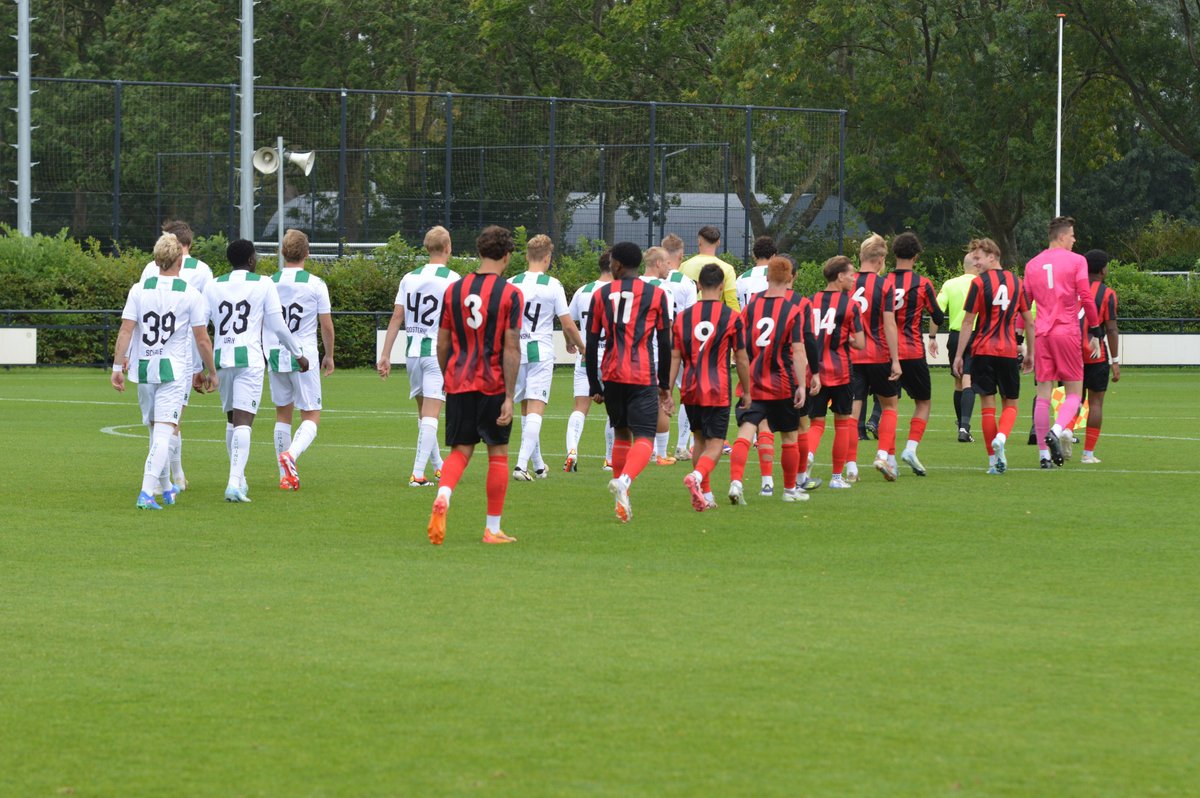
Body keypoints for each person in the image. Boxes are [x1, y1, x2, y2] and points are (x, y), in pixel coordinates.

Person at [426, 226, 524, 545]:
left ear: (479, 252)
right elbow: (511, 347)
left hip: (459, 379)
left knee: (460, 451)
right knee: (498, 453)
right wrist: (510, 396)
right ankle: (492, 528)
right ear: (507, 256)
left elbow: (442, 342)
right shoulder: (511, 294)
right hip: (493, 381)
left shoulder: (454, 289)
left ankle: (443, 494)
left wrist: (447, 375)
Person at [112, 232, 218, 508]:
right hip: (173, 370)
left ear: (156, 259)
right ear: (180, 261)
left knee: (154, 428)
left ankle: (166, 485)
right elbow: (202, 338)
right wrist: (212, 371)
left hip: (144, 367)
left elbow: (126, 330)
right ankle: (147, 492)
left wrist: (116, 366)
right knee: (165, 429)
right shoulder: (190, 293)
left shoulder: (139, 288)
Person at [205, 239, 309, 502]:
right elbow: (277, 324)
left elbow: (200, 327)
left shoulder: (213, 284)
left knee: (231, 420)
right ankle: (233, 483)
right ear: (251, 260)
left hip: (221, 358)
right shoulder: (263, 283)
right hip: (249, 359)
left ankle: (239, 479)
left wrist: (201, 366)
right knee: (244, 422)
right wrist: (298, 353)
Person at [585, 241, 672, 523]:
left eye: (611, 262)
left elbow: (591, 340)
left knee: (621, 433)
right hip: (641, 373)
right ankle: (624, 481)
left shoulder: (601, 295)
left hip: (611, 374)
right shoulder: (656, 295)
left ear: (618, 265)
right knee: (645, 437)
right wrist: (664, 384)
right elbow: (664, 341)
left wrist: (594, 385)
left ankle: (621, 502)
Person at [727, 256, 814, 504]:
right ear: (789, 278)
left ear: (767, 277)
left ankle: (735, 482)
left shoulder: (751, 305)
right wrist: (800, 385)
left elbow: (738, 345)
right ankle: (789, 490)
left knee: (746, 432)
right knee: (789, 436)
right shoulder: (792, 309)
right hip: (781, 383)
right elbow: (798, 351)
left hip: (752, 381)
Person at [135, 220, 214, 491]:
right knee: (171, 419)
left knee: (159, 422)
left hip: (150, 353)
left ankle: (167, 479)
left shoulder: (150, 268)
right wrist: (204, 365)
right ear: (189, 243)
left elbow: (139, 313)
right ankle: (171, 477)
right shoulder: (203, 271)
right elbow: (206, 319)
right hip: (185, 355)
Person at [378, 226, 459, 487]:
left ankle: (438, 467)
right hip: (438, 354)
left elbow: (396, 318)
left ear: (427, 248)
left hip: (412, 353)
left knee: (425, 415)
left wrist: (386, 354)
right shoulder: (453, 279)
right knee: (432, 415)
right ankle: (417, 473)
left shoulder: (409, 277)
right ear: (448, 248)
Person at [670, 262, 751, 510]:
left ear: (697, 286)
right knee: (716, 443)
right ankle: (696, 478)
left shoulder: (683, 318)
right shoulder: (732, 317)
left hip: (691, 387)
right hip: (717, 388)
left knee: (699, 440)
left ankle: (706, 494)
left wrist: (668, 390)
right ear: (723, 286)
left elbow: (675, 357)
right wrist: (747, 390)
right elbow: (741, 357)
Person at [1023, 216, 1102, 466]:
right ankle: (1056, 431)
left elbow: (1024, 306)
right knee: (1074, 393)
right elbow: (1086, 298)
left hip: (1042, 334)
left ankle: (1043, 456)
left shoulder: (1032, 264)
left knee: (1043, 394)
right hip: (1066, 331)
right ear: (1061, 236)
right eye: (1072, 235)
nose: (1074, 239)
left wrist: (1018, 338)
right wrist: (1096, 330)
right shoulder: (1077, 261)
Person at [952, 238, 1036, 474]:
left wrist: (959, 355)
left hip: (982, 350)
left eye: (978, 258)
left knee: (987, 407)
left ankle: (993, 461)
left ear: (992, 256)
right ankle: (1001, 437)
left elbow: (968, 321)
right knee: (1011, 405)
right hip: (1008, 351)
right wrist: (1031, 352)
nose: (975, 262)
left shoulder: (978, 284)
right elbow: (1029, 322)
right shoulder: (1017, 283)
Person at [508, 234, 585, 480]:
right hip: (539, 351)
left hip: (515, 351)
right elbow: (568, 324)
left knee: (525, 409)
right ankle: (521, 466)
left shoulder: (511, 283)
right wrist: (583, 347)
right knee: (536, 410)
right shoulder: (552, 284)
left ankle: (538, 465)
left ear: (528, 256)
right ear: (548, 258)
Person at [267, 229, 335, 490]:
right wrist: (329, 355)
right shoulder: (315, 284)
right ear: (307, 253)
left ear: (283, 252)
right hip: (303, 354)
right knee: (311, 416)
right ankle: (291, 457)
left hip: (275, 352)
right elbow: (326, 326)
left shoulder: (269, 282)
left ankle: (285, 476)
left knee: (282, 414)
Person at [886, 232, 945, 476]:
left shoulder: (883, 282)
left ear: (894, 254)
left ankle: (888, 456)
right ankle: (910, 447)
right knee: (923, 402)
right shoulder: (922, 283)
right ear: (917, 256)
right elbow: (939, 316)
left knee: (889, 406)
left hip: (887, 352)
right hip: (912, 351)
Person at [847, 233, 902, 482]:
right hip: (878, 354)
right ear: (880, 260)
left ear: (861, 256)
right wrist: (895, 359)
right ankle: (882, 455)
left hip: (851, 357)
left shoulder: (846, 283)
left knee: (852, 412)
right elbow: (890, 325)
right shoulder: (885, 285)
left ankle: (850, 467)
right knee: (890, 405)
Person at [807, 255, 865, 489]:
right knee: (842, 424)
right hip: (840, 371)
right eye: (851, 274)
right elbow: (860, 344)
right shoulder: (850, 305)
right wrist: (848, 338)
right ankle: (836, 478)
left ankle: (809, 454)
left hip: (815, 372)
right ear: (840, 276)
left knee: (816, 424)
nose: (854, 279)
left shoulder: (809, 301)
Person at [735, 235, 781, 496]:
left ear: (754, 255)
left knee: (751, 398)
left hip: (749, 340)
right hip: (774, 346)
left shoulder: (742, 278)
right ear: (774, 256)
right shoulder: (777, 272)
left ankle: (751, 432)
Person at [564, 248, 615, 472]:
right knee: (615, 410)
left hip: (587, 357)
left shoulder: (583, 291)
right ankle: (609, 460)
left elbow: (568, 320)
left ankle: (572, 451)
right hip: (613, 359)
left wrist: (569, 341)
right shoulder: (618, 292)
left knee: (579, 407)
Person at [658, 235, 699, 459]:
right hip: (680, 344)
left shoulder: (653, 281)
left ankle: (656, 448)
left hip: (654, 344)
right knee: (685, 393)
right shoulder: (686, 283)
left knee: (657, 392)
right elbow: (692, 318)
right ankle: (682, 445)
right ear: (681, 256)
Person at [1079, 249, 1120, 464]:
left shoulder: (1071, 289)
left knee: (1070, 398)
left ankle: (1066, 434)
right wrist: (1115, 361)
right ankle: (1087, 454)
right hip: (1096, 354)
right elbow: (1111, 329)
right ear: (1103, 270)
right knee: (1095, 403)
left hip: (1069, 352)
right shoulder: (1107, 294)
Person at [640, 246, 679, 465]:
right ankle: (659, 453)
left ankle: (639, 450)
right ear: (657, 264)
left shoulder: (631, 284)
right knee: (661, 399)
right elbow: (669, 326)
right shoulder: (664, 289)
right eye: (666, 263)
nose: (670, 266)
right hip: (654, 352)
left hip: (633, 352)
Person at [938, 252, 982, 442]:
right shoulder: (982, 284)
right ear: (977, 265)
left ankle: (961, 424)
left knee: (958, 382)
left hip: (955, 336)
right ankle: (964, 427)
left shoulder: (950, 284)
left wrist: (932, 336)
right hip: (975, 335)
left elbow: (938, 310)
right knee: (968, 382)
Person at [678, 225, 740, 311]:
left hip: (690, 318)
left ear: (699, 241)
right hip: (716, 317)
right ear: (718, 243)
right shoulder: (727, 268)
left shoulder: (683, 266)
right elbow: (732, 301)